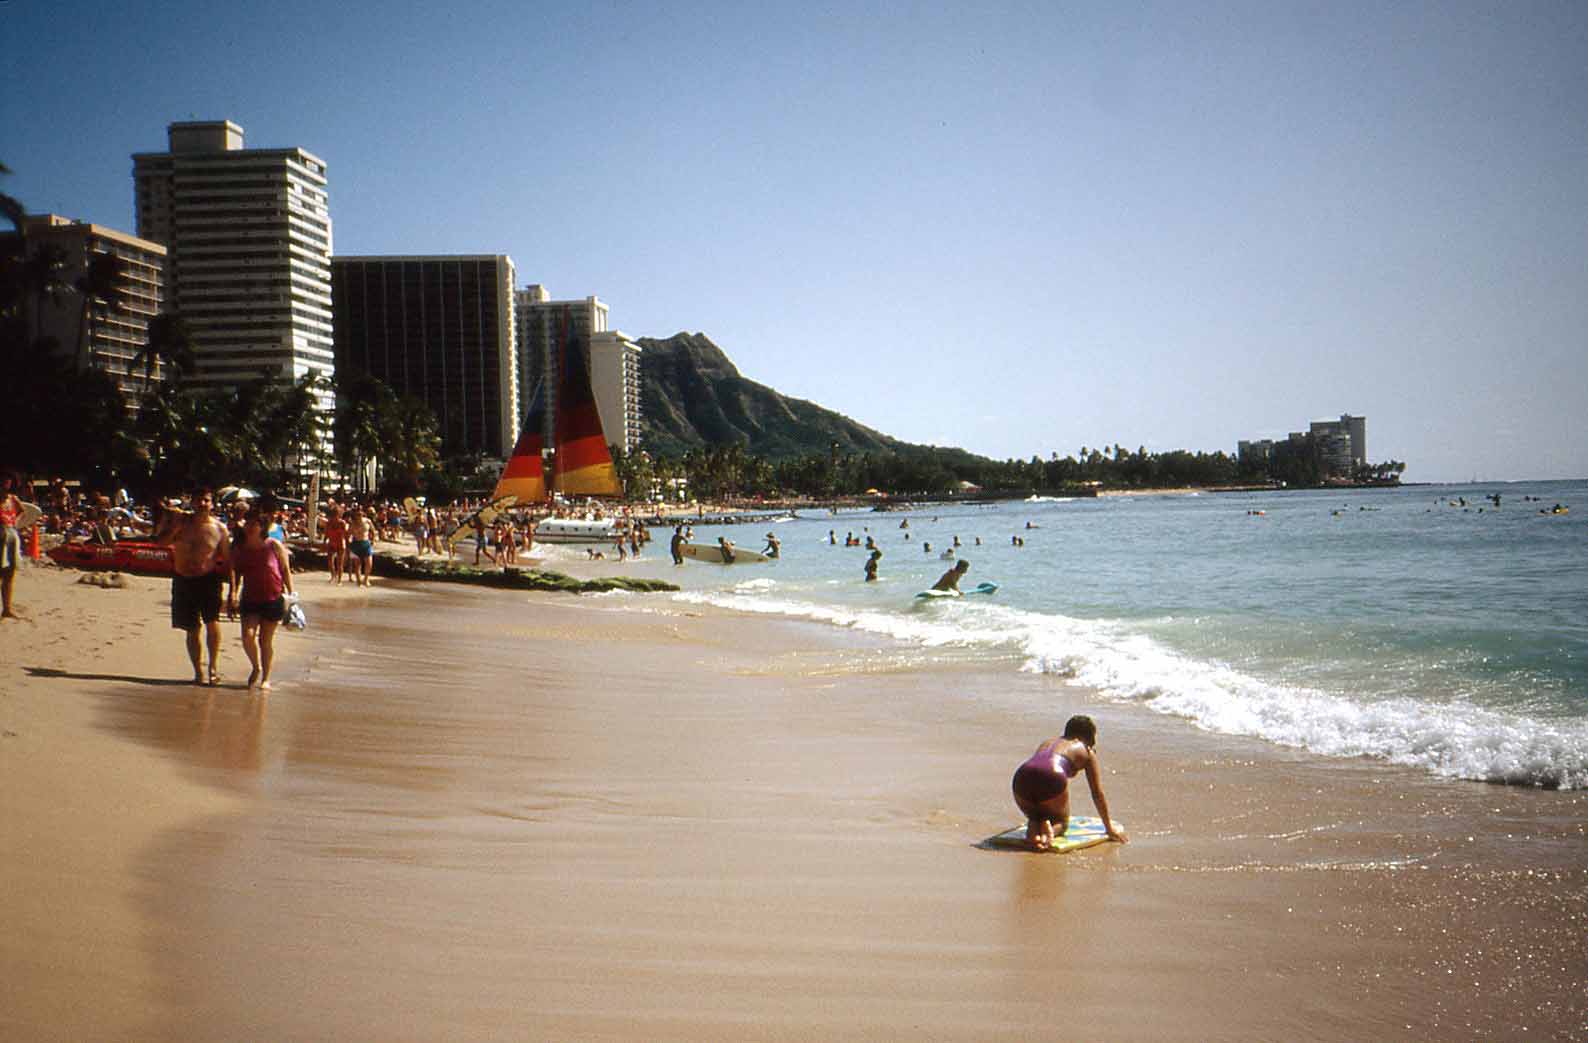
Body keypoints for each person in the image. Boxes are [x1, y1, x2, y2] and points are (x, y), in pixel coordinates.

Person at [1011, 715, 1127, 851]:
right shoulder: (1087, 750)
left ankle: (1034, 833)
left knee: (1036, 815)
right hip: (1053, 776)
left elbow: (1039, 769)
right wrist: (1109, 828)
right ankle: (1048, 835)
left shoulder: (1047, 743)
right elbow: (1097, 793)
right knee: (1062, 822)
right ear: (1089, 736)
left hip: (1021, 777)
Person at [157, 488, 232, 685]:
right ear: (192, 502)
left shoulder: (219, 529)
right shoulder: (179, 524)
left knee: (212, 622)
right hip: (183, 579)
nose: (202, 504)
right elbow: (160, 542)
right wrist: (174, 528)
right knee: (191, 628)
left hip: (208, 580)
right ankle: (198, 670)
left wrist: (233, 591)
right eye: (199, 500)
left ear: (212, 504)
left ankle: (213, 667)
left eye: (206, 501)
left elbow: (230, 561)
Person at [228, 505, 294, 690]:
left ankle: (266, 678)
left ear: (262, 526)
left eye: (255, 523)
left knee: (265, 640)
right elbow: (235, 572)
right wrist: (232, 593)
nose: (250, 526)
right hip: (250, 597)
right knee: (247, 636)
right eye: (248, 522)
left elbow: (285, 570)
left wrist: (292, 595)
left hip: (273, 597)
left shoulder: (273, 545)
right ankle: (256, 667)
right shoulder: (240, 548)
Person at [1, 474, 25, 620]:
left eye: (8, 482)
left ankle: (7, 609)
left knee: (10, 573)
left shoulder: (13, 499)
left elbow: (23, 511)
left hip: (11, 533)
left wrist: (15, 520)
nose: (6, 485)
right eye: (4, 482)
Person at [347, 506, 374, 586]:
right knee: (357, 564)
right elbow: (348, 533)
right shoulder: (352, 523)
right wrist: (348, 541)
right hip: (356, 543)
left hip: (366, 543)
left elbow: (373, 530)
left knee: (369, 562)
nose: (359, 513)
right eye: (357, 512)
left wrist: (373, 539)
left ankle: (366, 579)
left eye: (360, 512)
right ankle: (359, 581)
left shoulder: (368, 521)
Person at [323, 504, 348, 583]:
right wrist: (324, 541)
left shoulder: (342, 523)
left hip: (340, 544)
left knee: (339, 563)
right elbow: (326, 533)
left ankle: (339, 579)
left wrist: (348, 543)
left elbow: (346, 534)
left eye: (336, 514)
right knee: (330, 562)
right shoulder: (329, 523)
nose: (334, 516)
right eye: (333, 514)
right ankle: (333, 576)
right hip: (331, 543)